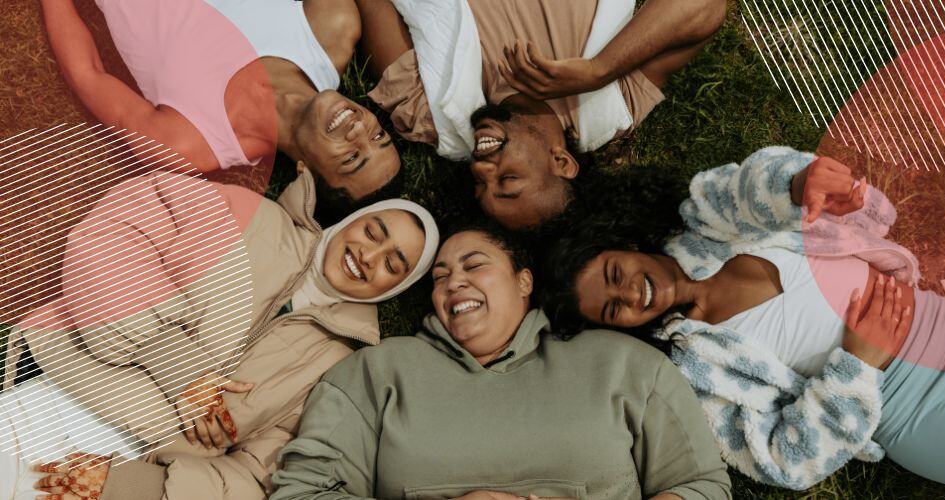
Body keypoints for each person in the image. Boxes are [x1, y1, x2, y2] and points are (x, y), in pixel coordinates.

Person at [540, 146, 945, 491]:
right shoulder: (693, 372)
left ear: (625, 245)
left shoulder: (710, 224)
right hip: (912, 412)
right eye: (612, 309)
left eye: (614, 274)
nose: (628, 293)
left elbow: (752, 187)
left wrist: (796, 185)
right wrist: (858, 366)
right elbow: (785, 461)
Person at [1, 164, 439, 499]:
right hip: (67, 384)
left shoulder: (343, 363)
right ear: (353, 220)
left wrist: (128, 486)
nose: (368, 255)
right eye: (373, 232)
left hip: (140, 475)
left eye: (393, 263)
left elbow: (258, 473)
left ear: (395, 286)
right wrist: (176, 361)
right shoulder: (249, 217)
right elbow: (109, 240)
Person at [269, 225, 732, 500]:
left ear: (523, 280)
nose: (454, 283)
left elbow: (702, 485)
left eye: (475, 266)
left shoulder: (624, 364)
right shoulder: (376, 373)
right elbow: (301, 492)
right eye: (440, 277)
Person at [356, 0, 726, 230]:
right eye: (507, 179)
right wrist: (599, 69)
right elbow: (706, 7)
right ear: (561, 162)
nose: (481, 168)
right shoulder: (611, 103)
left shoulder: (430, 117)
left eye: (481, 185)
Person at [40, 0, 402, 205]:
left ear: (305, 173)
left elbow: (88, 75)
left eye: (351, 157)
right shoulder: (332, 27)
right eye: (379, 136)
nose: (359, 130)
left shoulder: (192, 142)